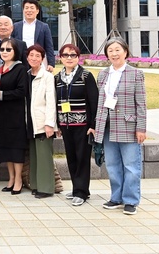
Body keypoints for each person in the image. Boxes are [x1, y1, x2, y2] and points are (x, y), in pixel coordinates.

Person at [89, 38, 147, 216]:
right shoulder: (103, 74)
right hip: (107, 125)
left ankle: (131, 200)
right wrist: (95, 126)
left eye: (117, 50)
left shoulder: (136, 74)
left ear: (125, 52)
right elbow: (99, 102)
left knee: (131, 165)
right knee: (113, 164)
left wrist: (141, 128)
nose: (114, 53)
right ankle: (116, 197)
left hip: (128, 125)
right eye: (110, 51)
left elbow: (141, 103)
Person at [55, 43, 98, 207]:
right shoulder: (57, 78)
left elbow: (94, 102)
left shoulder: (86, 76)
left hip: (83, 125)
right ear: (61, 58)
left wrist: (92, 124)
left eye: (72, 55)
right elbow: (56, 102)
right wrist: (57, 124)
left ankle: (82, 192)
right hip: (65, 126)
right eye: (65, 55)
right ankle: (76, 188)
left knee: (82, 158)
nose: (69, 58)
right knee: (71, 158)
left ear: (78, 57)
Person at [0, 39, 28, 195]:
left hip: (15, 114)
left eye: (8, 49)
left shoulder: (20, 69)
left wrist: (1, 94)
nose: (4, 52)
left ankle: (18, 179)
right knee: (5, 148)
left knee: (15, 149)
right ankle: (11, 178)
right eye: (2, 49)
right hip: (1, 114)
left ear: (15, 52)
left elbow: (21, 91)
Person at [27, 44, 57, 199]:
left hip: (42, 120)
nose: (34, 58)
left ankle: (46, 188)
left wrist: (49, 123)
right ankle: (36, 185)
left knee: (44, 155)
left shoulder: (47, 77)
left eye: (37, 56)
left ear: (42, 59)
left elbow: (51, 101)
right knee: (34, 155)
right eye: (31, 55)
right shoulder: (26, 75)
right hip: (30, 121)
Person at [13, 0, 55, 73]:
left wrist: (51, 63)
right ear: (23, 11)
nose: (29, 10)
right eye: (26, 8)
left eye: (32, 8)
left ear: (37, 11)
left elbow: (49, 46)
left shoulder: (44, 27)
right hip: (20, 60)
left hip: (37, 60)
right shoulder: (16, 26)